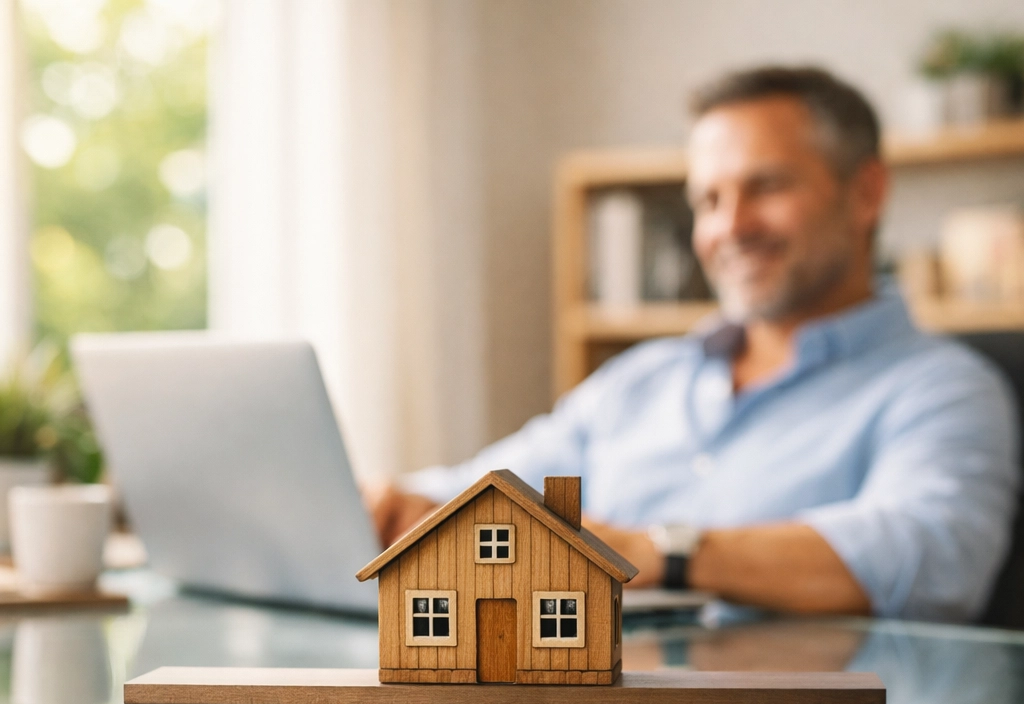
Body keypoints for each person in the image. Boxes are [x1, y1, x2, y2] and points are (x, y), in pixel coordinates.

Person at [366, 66, 1019, 622]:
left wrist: (659, 552)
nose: (729, 227)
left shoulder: (944, 389)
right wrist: (406, 505)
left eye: (765, 186)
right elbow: (505, 485)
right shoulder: (644, 377)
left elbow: (932, 553)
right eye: (708, 199)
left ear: (866, 192)